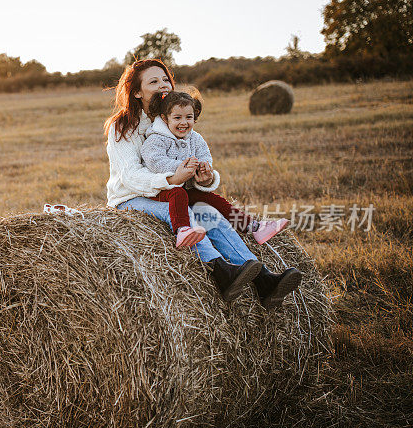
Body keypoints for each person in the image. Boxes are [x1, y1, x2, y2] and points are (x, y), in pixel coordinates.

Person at [104, 59, 301, 307]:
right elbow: (130, 176)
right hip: (131, 198)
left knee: (208, 213)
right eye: (153, 82)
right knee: (182, 212)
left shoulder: (175, 116)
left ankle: (263, 280)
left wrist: (205, 178)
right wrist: (171, 179)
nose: (162, 85)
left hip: (178, 191)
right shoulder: (123, 126)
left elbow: (196, 156)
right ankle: (220, 271)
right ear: (137, 92)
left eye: (165, 79)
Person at [141, 89, 289, 248]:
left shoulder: (195, 138)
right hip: (161, 189)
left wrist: (204, 169)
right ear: (165, 119)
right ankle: (182, 230)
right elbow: (155, 162)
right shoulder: (155, 139)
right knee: (179, 194)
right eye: (177, 118)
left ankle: (254, 227)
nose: (184, 122)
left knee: (210, 198)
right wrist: (181, 167)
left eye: (188, 117)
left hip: (185, 188)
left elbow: (205, 155)